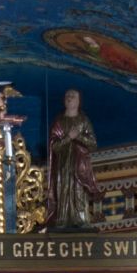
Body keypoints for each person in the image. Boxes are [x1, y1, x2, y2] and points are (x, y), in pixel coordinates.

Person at [45, 87, 103, 226]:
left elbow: (93, 144)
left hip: (79, 165)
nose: (69, 98)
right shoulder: (59, 122)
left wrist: (79, 136)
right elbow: (54, 146)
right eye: (67, 96)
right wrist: (68, 138)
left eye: (73, 96)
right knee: (63, 191)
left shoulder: (83, 121)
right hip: (62, 165)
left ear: (78, 101)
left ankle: (80, 218)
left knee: (78, 191)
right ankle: (62, 218)